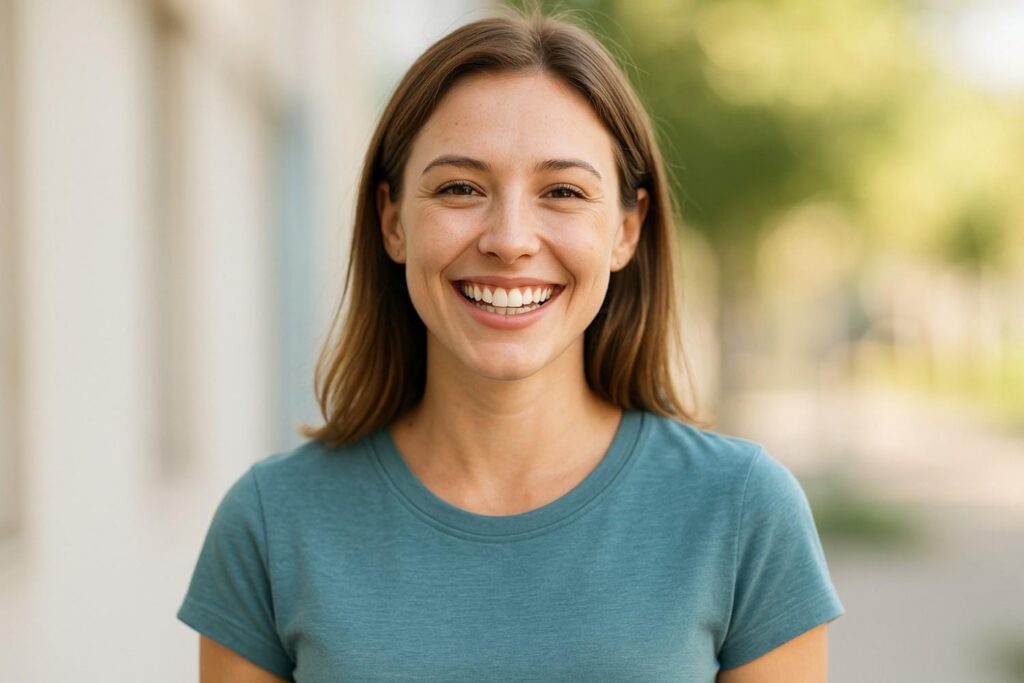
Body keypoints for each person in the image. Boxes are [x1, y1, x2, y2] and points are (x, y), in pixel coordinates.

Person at [177, 10, 843, 683]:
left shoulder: (741, 512)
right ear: (392, 220)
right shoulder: (271, 524)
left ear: (627, 229)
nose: (510, 238)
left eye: (562, 191)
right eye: (461, 188)